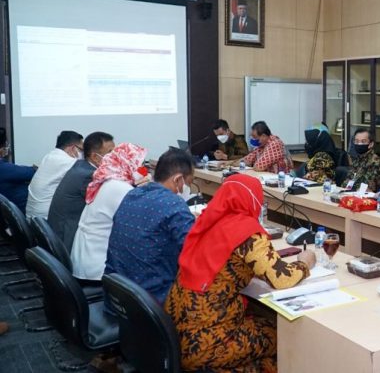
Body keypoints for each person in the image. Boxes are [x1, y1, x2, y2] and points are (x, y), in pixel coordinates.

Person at [165, 174, 315, 372]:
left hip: (176, 335)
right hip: (207, 343)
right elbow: (281, 279)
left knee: (264, 323)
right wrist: (304, 263)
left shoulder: (208, 220)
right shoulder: (246, 231)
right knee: (283, 335)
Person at [104, 149, 196, 305]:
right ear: (178, 179)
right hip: (152, 303)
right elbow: (195, 251)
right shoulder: (174, 204)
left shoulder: (132, 194)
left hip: (116, 297)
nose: (187, 188)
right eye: (189, 183)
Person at [70, 143, 147, 281]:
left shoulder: (108, 181)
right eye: (138, 164)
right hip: (97, 271)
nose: (141, 170)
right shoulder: (120, 188)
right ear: (127, 164)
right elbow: (143, 219)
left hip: (84, 261)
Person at [48, 132, 115, 252]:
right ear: (95, 157)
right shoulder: (89, 175)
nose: (116, 156)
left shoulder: (81, 165)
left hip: (59, 229)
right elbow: (109, 202)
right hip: (67, 238)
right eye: (110, 153)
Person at [26, 130, 83, 218]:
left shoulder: (49, 156)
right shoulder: (67, 161)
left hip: (34, 219)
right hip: (47, 220)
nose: (83, 154)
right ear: (73, 148)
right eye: (81, 150)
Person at [0, 128, 36, 212]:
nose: (7, 148)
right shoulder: (5, 169)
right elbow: (34, 172)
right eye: (6, 145)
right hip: (26, 213)